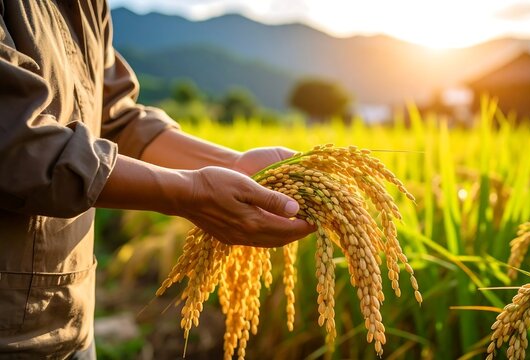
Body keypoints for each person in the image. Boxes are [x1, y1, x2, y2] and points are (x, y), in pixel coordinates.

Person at [0, 0, 314, 357]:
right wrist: (189, 192)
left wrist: (238, 163)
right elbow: (13, 141)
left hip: (72, 321)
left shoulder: (88, 6)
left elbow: (116, 120)